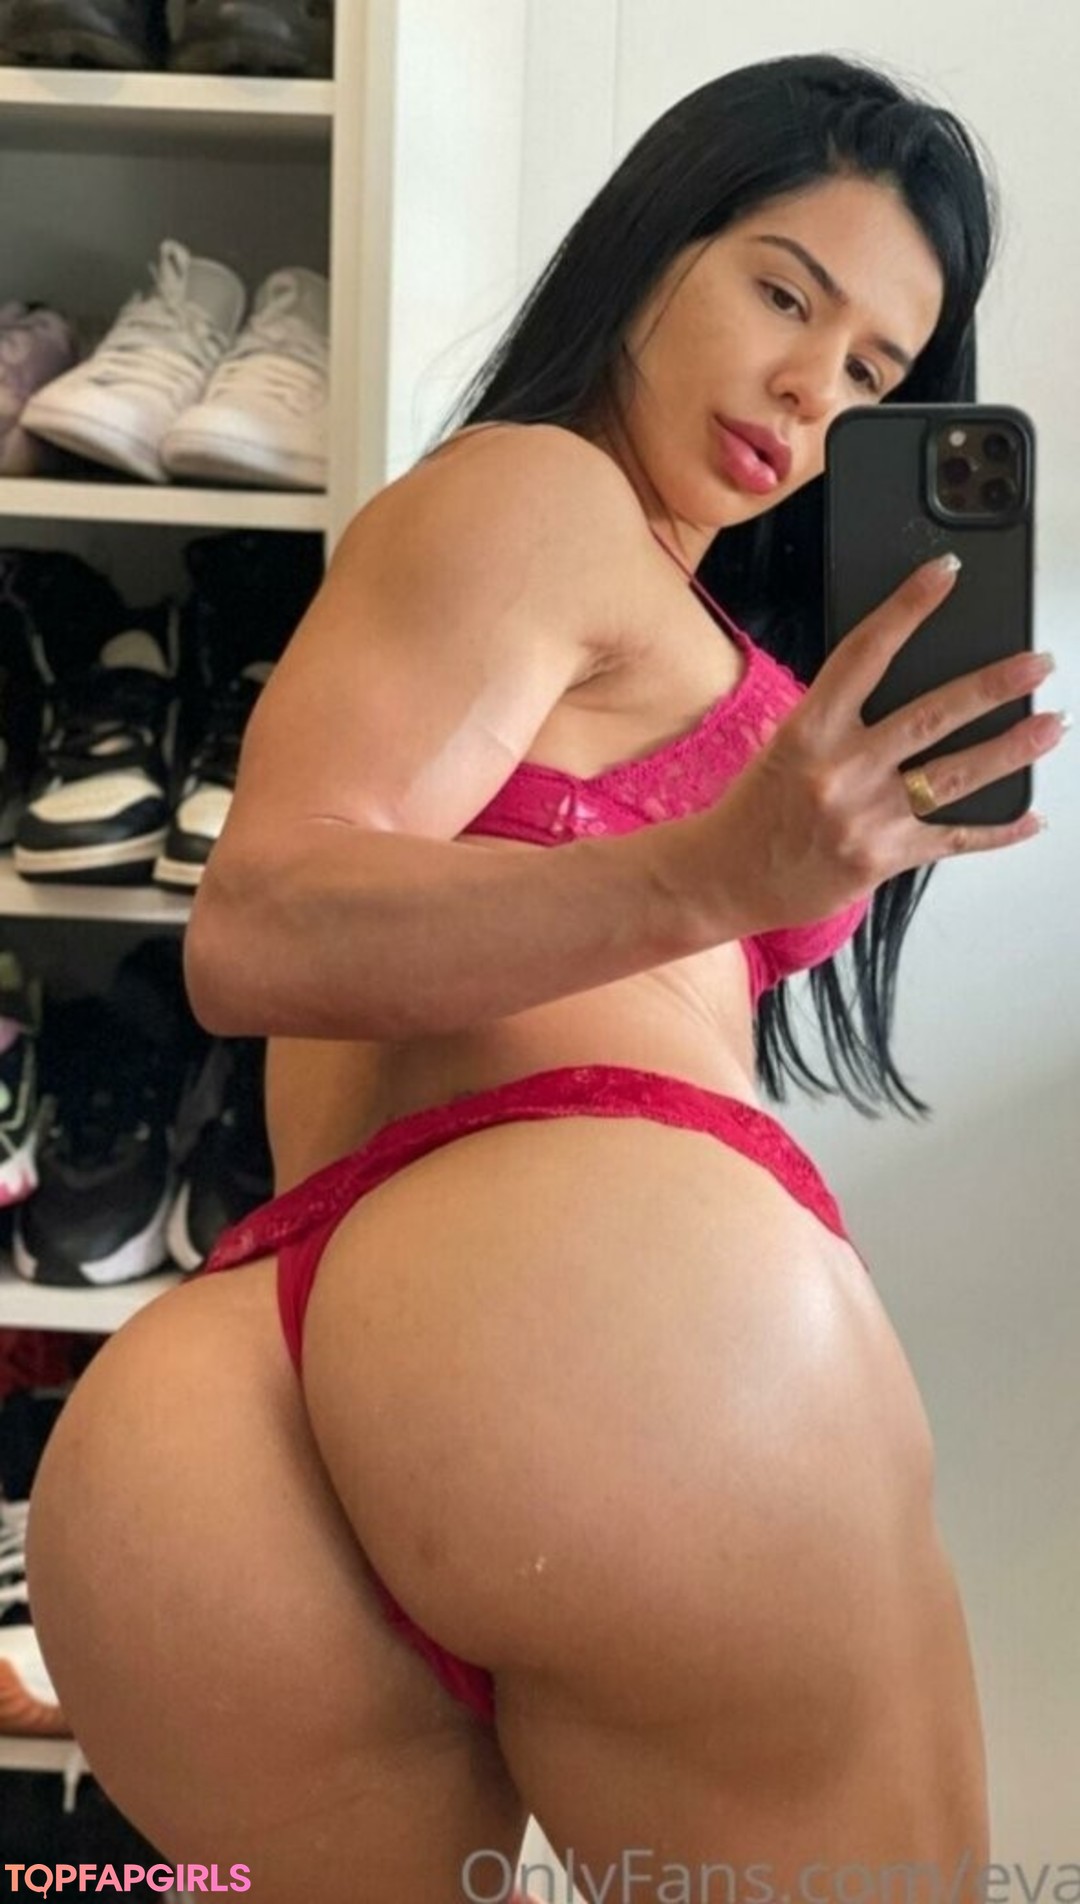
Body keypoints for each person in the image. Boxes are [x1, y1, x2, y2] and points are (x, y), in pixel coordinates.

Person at [24, 51, 1066, 1904]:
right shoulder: (539, 494)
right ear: (654, 245)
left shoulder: (606, 565)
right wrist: (717, 876)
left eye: (875, 372)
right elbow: (255, 932)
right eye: (784, 294)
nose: (813, 389)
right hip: (588, 1330)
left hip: (241, 1409)